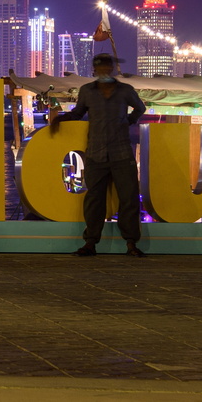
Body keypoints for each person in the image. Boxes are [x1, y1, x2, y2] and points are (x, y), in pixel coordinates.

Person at [48, 52, 147, 257]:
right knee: (94, 200)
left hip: (121, 153)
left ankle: (130, 243)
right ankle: (90, 243)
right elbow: (78, 113)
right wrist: (61, 119)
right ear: (94, 70)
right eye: (100, 68)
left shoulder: (125, 90)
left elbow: (140, 108)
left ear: (111, 69)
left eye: (106, 67)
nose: (103, 71)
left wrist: (127, 122)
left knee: (128, 199)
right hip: (95, 153)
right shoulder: (87, 91)